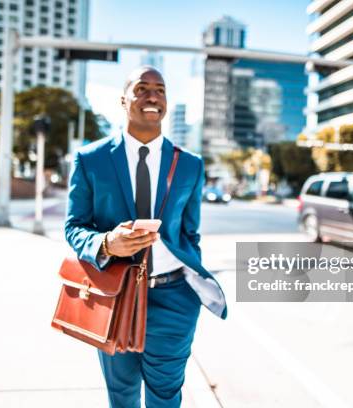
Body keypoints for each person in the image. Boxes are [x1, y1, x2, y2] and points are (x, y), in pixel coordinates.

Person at [64, 66, 227, 408]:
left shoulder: (190, 165)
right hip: (115, 295)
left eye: (160, 90)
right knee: (121, 396)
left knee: (166, 397)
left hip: (173, 299)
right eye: (142, 89)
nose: (152, 97)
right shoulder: (90, 160)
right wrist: (107, 243)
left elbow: (189, 232)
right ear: (123, 100)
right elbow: (74, 226)